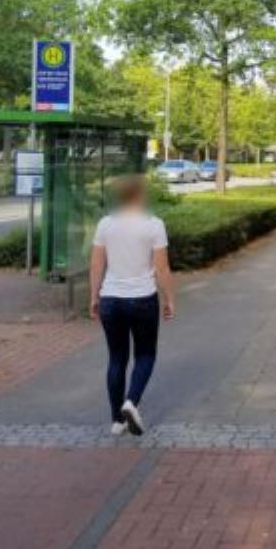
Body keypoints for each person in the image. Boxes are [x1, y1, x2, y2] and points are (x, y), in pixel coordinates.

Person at [89, 174, 176, 436]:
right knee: (146, 355)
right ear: (139, 195)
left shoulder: (105, 224)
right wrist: (169, 298)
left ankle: (117, 421)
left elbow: (96, 264)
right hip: (143, 299)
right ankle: (131, 401)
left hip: (111, 299)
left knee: (116, 358)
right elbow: (162, 268)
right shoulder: (154, 225)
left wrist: (94, 296)